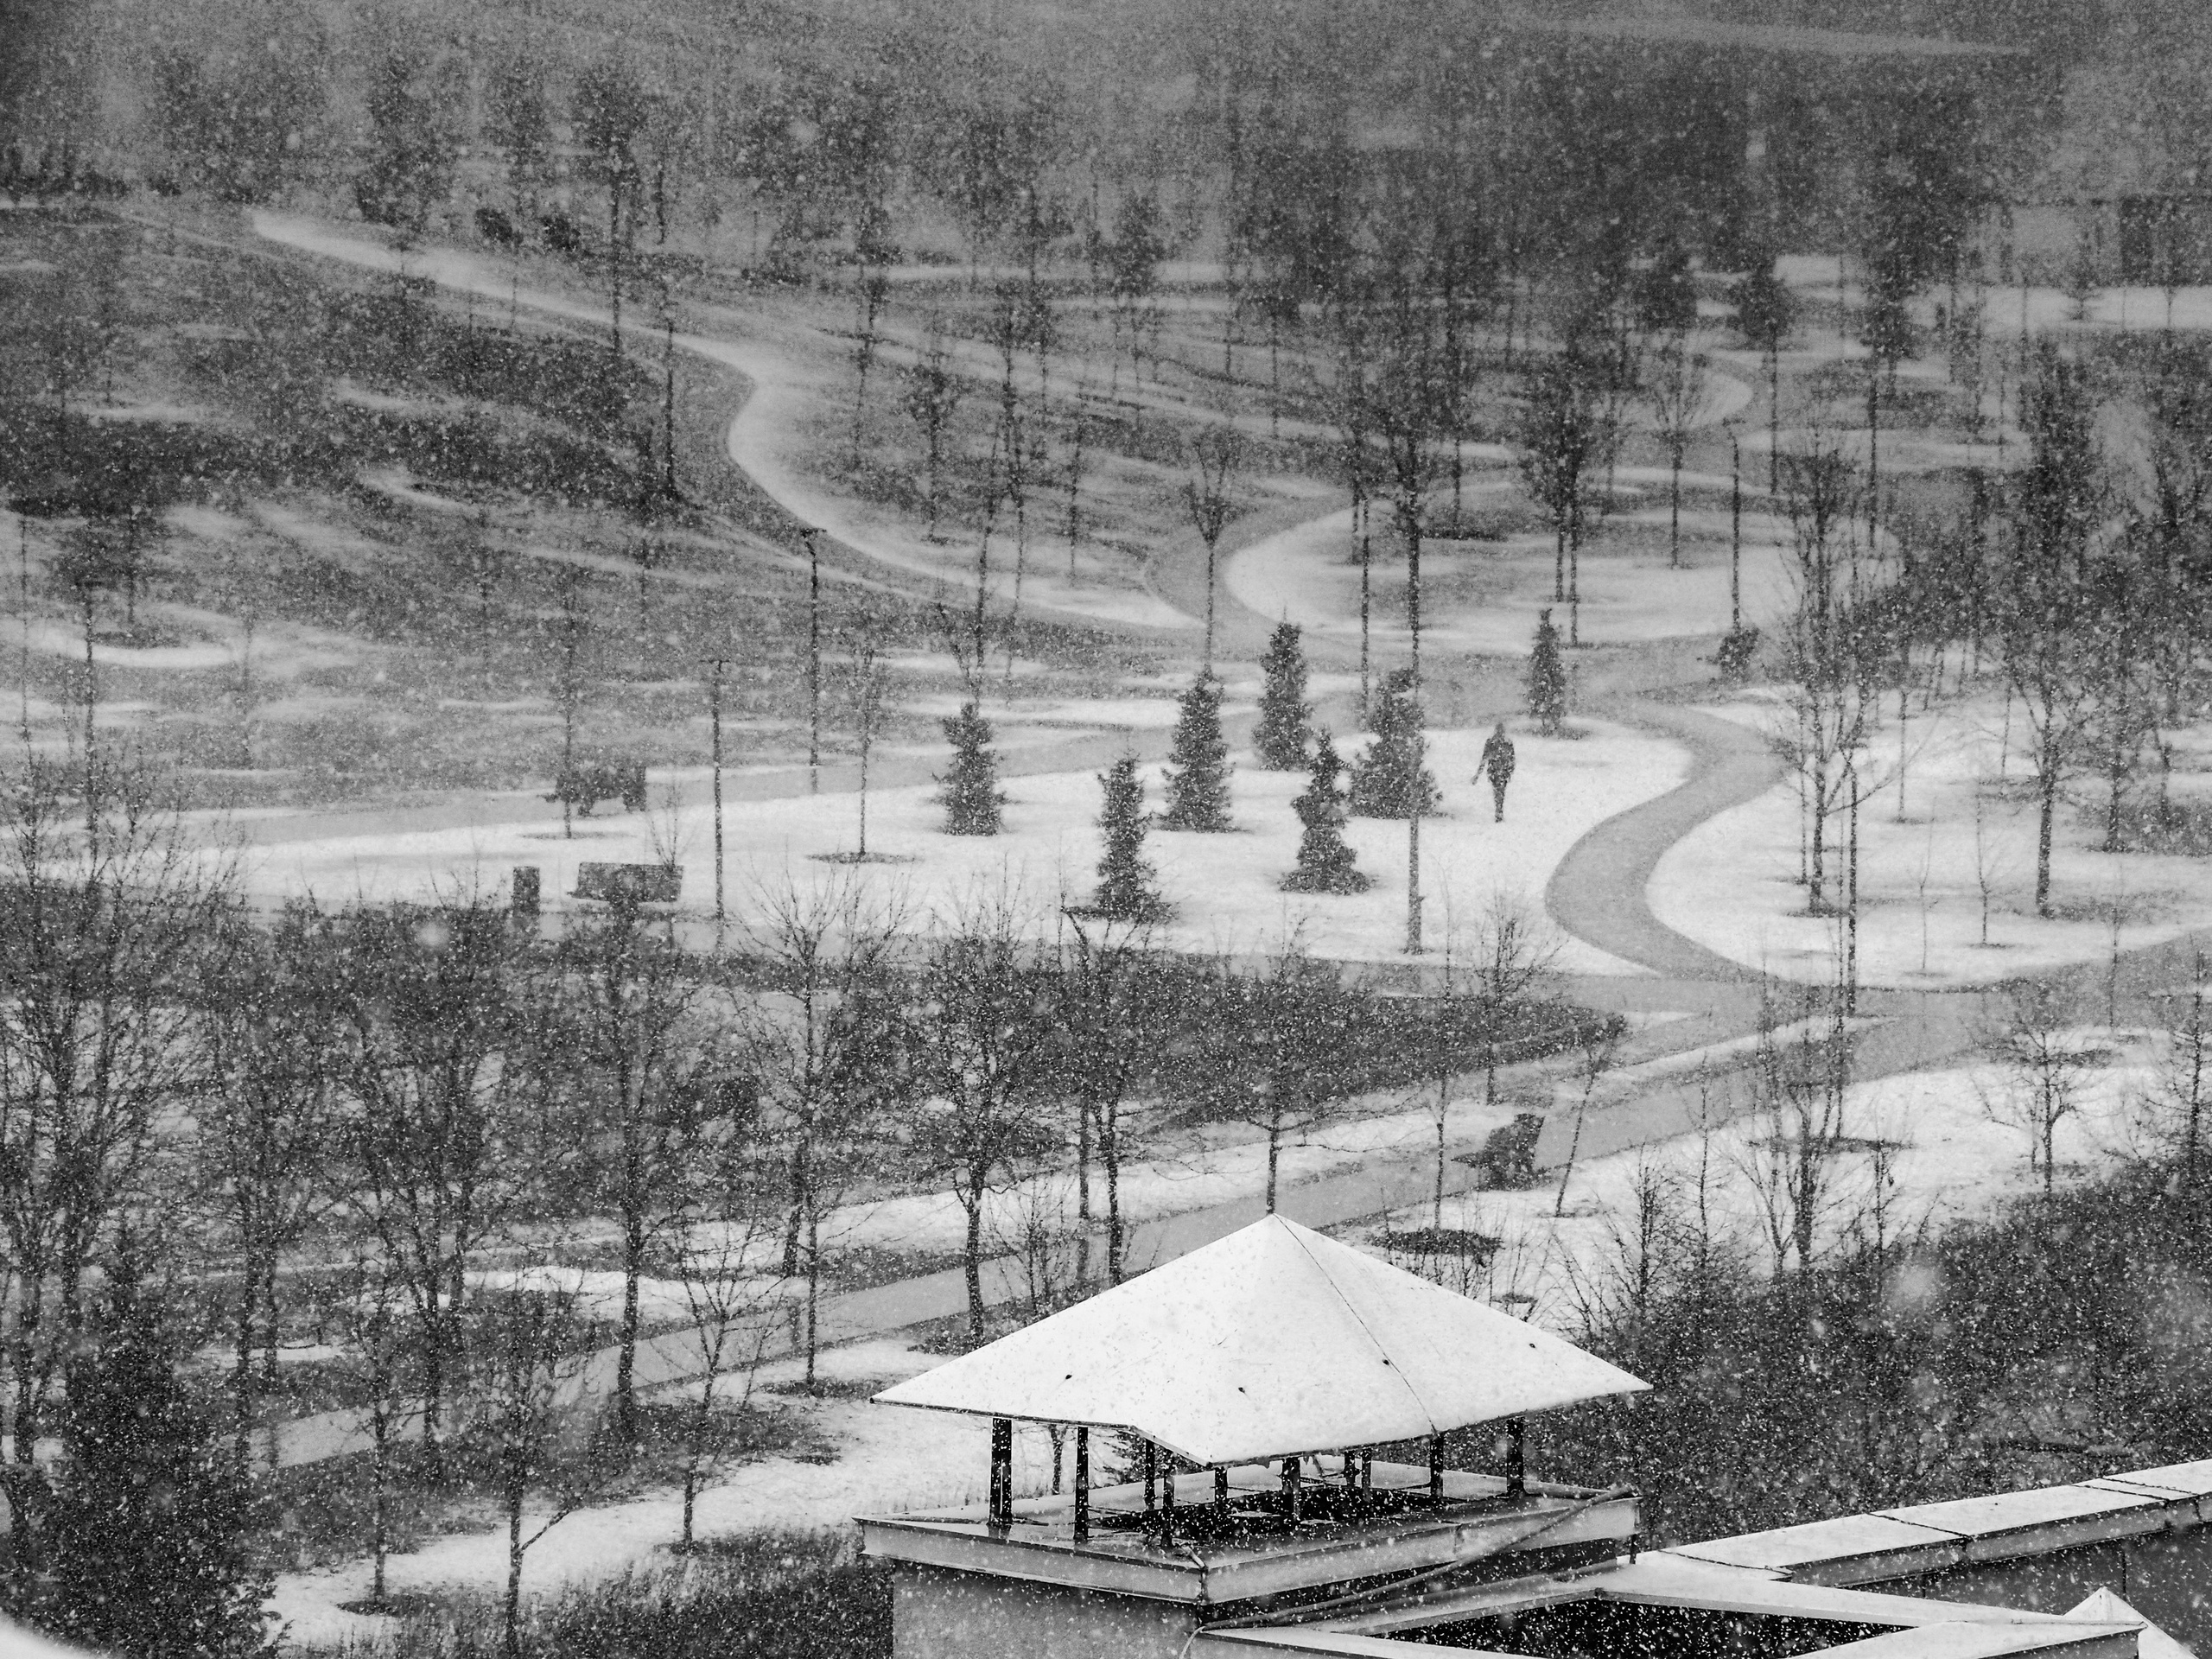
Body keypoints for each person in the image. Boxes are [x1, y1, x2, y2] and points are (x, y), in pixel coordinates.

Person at [1479, 722, 1516, 823]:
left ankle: (1499, 810)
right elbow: (1485, 757)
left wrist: (1510, 769)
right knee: (1499, 791)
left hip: (1500, 771)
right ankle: (1499, 810)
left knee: (1499, 791)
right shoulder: (1497, 742)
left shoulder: (1499, 742)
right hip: (1497, 771)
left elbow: (1512, 758)